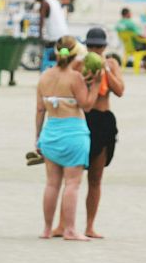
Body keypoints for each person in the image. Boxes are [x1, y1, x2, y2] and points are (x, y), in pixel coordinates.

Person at [51, 27, 124, 239]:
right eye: (91, 46)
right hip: (81, 121)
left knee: (95, 178)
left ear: (105, 47)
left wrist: (105, 70)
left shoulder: (112, 63)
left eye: (99, 46)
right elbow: (62, 81)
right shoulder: (78, 64)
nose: (95, 50)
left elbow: (120, 90)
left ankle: (90, 226)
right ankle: (62, 225)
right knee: (71, 178)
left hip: (103, 120)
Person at [35, 35, 101, 241]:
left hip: (50, 133)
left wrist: (37, 138)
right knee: (72, 184)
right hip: (73, 134)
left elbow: (40, 110)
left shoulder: (44, 76)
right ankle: (70, 229)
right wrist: (96, 85)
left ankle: (47, 229)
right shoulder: (75, 77)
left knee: (51, 184)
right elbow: (87, 105)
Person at [37, 0, 68, 65]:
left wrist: (40, 35)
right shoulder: (55, 1)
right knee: (61, 57)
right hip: (63, 34)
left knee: (51, 58)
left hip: (54, 36)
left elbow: (41, 19)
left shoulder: (45, 2)